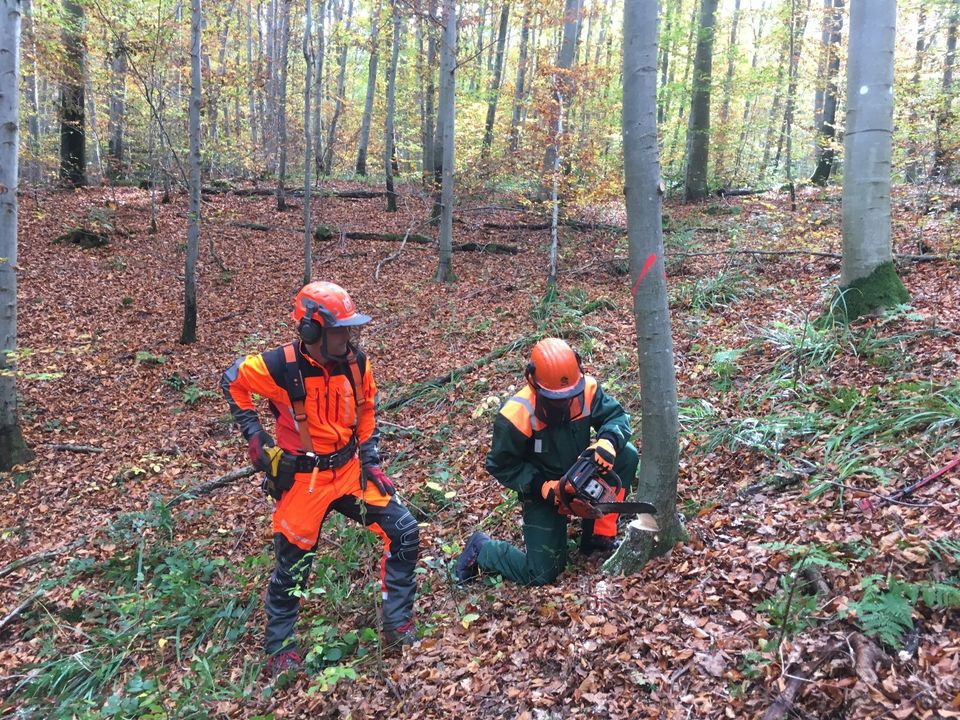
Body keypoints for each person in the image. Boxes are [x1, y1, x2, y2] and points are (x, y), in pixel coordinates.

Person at [221, 281, 419, 678]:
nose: (348, 337)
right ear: (311, 330)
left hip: (349, 473)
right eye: (338, 330)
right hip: (303, 481)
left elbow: (366, 411)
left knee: (405, 530)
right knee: (292, 567)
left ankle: (397, 624)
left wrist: (371, 458)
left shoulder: (357, 364)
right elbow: (232, 380)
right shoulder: (279, 366)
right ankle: (280, 647)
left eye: (350, 329)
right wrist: (254, 434)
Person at [454, 337, 638, 587]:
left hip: (580, 473)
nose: (565, 402)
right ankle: (483, 549)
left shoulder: (587, 389)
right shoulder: (517, 414)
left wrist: (607, 441)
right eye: (555, 398)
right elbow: (501, 464)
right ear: (534, 383)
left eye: (569, 395)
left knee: (625, 453)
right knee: (542, 573)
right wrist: (542, 486)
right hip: (542, 491)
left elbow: (615, 416)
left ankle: (598, 536)